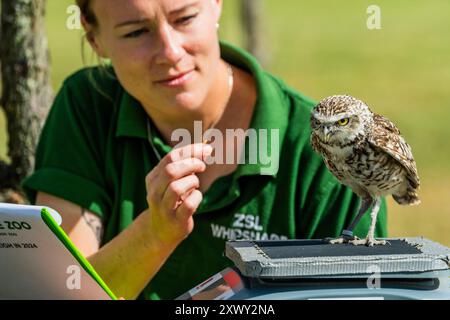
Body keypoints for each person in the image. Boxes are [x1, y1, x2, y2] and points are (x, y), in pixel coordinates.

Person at [22, 0, 387, 300]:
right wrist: (155, 233)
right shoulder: (88, 105)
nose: (169, 51)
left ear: (216, 5)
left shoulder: (325, 149)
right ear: (94, 36)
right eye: (135, 32)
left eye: (184, 18)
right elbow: (59, 291)